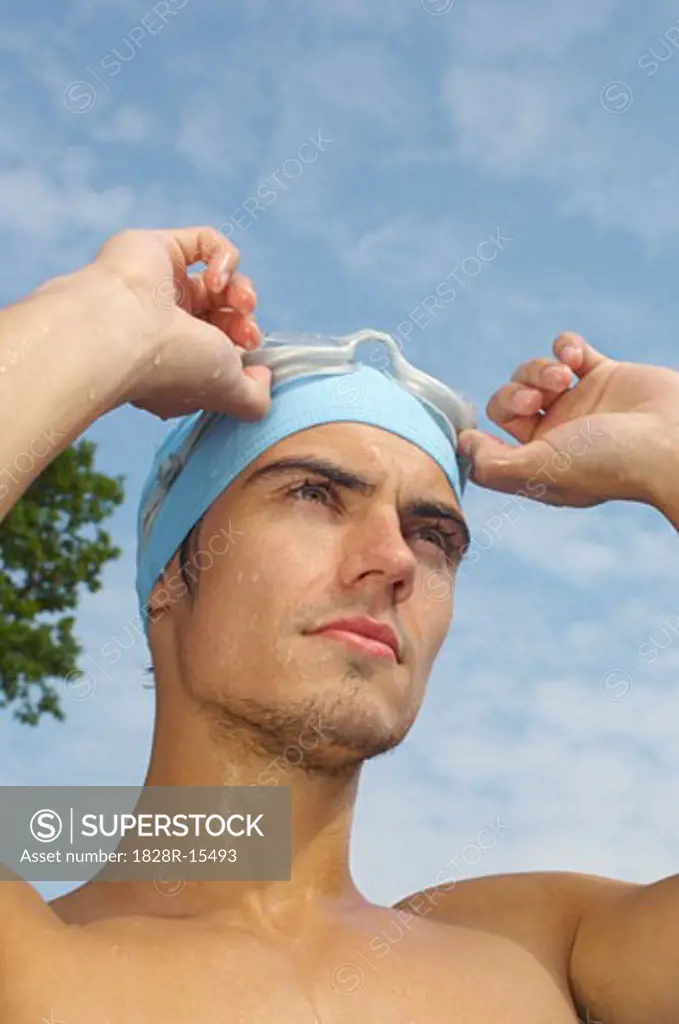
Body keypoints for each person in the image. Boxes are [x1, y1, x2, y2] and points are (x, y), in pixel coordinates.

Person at [0, 226, 677, 1024]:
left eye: (434, 537)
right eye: (313, 496)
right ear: (169, 577)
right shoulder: (32, 958)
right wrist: (99, 319)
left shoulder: (540, 954)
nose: (392, 559)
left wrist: (669, 451)